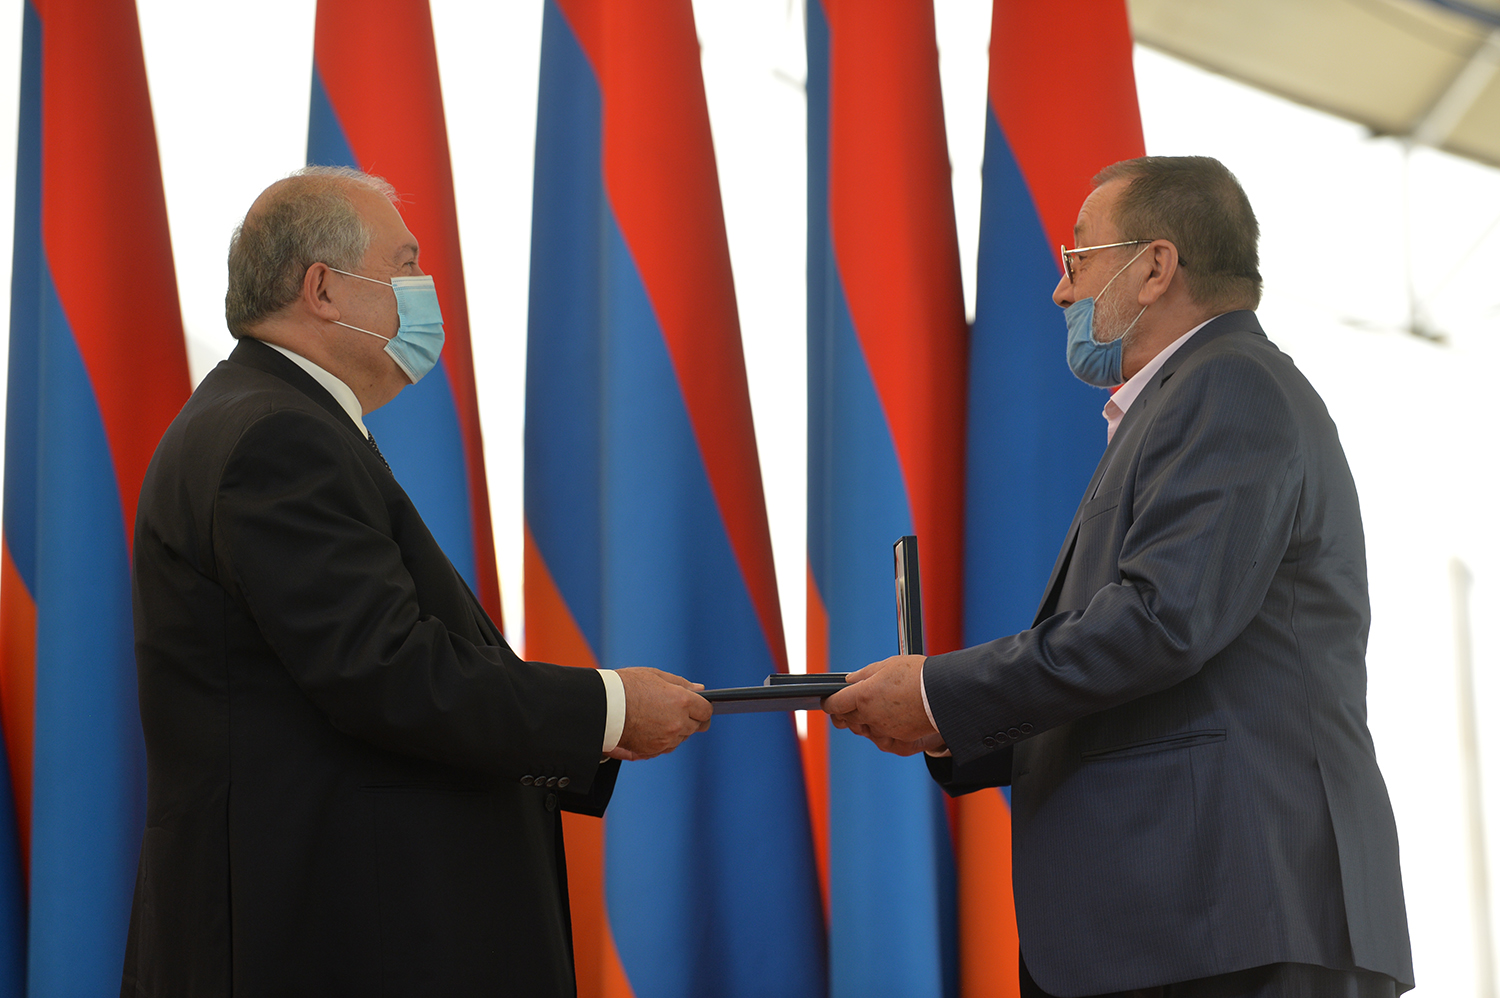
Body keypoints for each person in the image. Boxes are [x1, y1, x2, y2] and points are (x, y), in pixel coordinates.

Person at [824, 156, 1413, 997]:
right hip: (1193, 922)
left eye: (1077, 257)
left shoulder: (1229, 383)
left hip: (1231, 918)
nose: (1060, 290)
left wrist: (936, 693)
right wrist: (944, 720)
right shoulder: (1190, 396)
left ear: (1154, 267)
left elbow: (1161, 621)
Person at [123, 166, 712, 997]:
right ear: (323, 289)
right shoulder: (277, 438)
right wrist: (607, 708)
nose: (425, 289)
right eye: (405, 265)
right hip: (322, 943)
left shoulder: (271, 418)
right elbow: (389, 674)